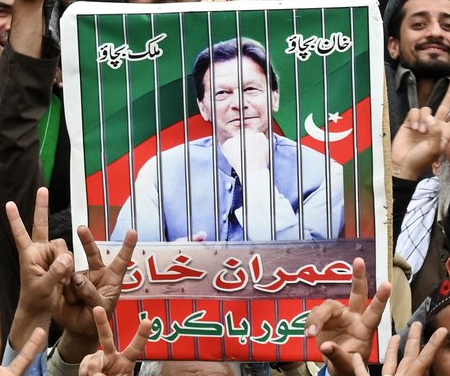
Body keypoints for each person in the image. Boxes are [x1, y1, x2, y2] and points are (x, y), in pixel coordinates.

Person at [110, 37, 346, 242]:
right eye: (222, 93)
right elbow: (128, 264)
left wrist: (253, 173)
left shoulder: (324, 173)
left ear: (275, 98)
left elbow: (309, 265)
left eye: (251, 89)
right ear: (203, 108)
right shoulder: (161, 171)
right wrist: (176, 255)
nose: (239, 104)